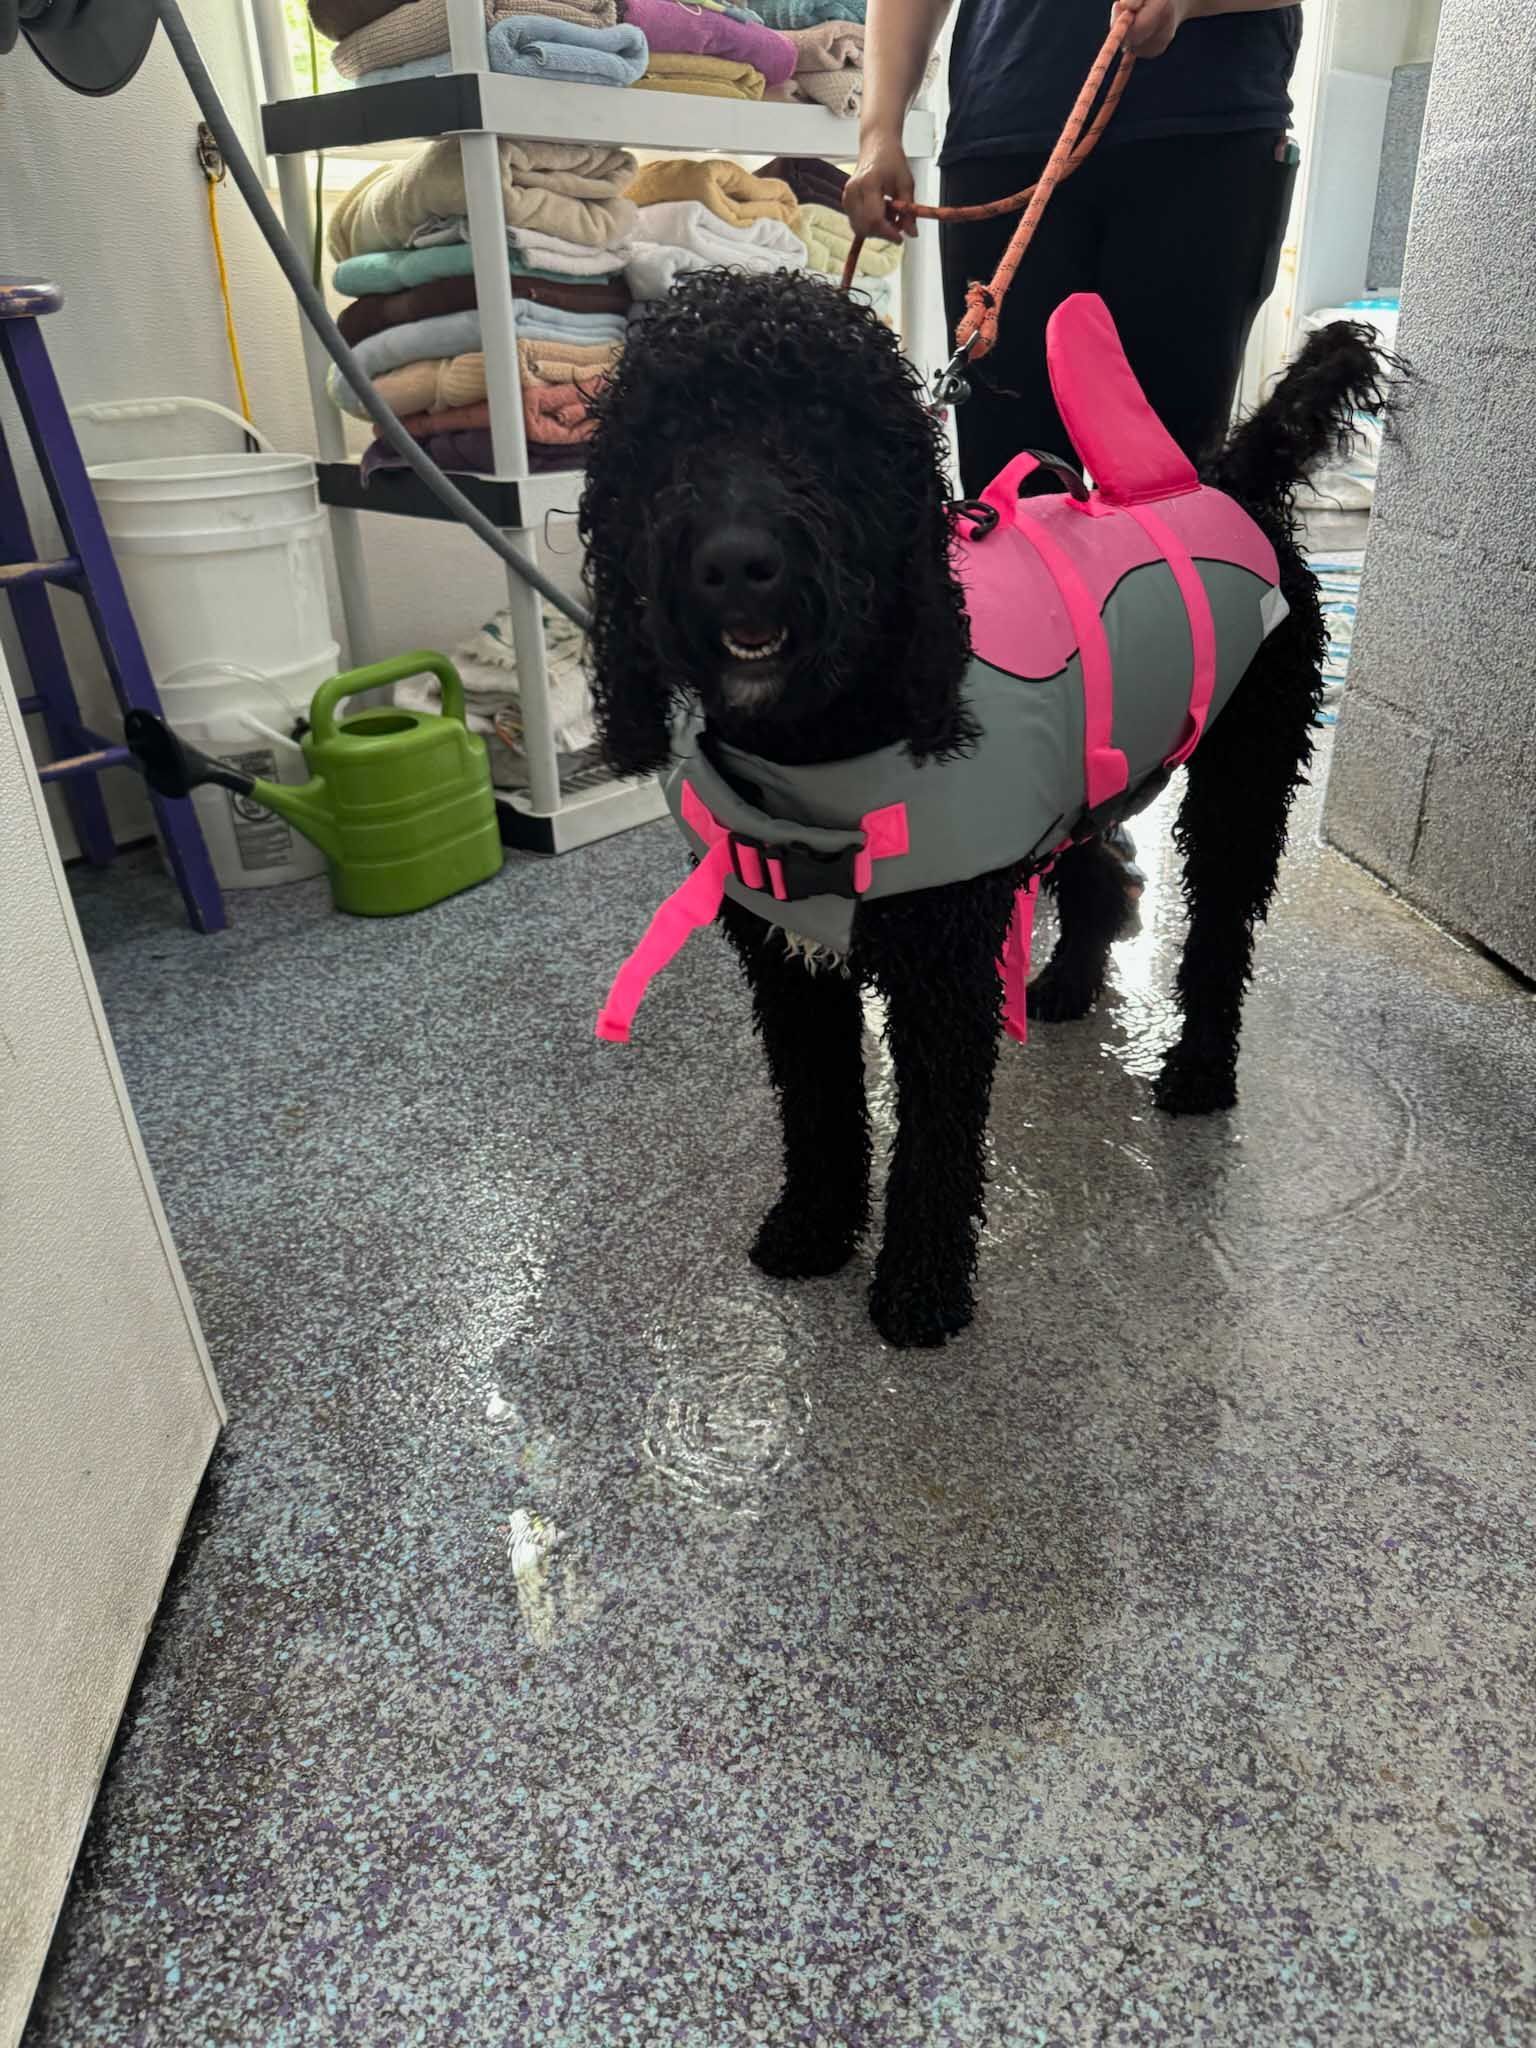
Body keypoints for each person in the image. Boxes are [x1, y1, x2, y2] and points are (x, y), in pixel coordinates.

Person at [845, 0, 1304, 931]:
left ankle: (1121, 804)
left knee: (1166, 519)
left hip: (1204, 132)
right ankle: (1035, 826)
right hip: (1008, 124)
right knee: (1008, 527)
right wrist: (879, 123)